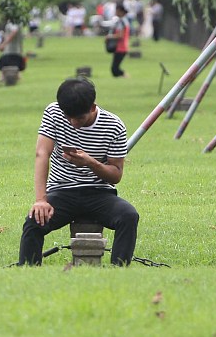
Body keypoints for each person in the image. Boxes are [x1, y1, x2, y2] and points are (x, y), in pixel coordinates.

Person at [18, 78, 139, 266]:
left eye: (79, 118)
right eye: (68, 117)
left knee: (128, 216)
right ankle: (27, 271)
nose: (73, 123)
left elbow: (116, 175)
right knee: (34, 221)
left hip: (99, 193)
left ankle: (119, 270)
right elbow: (42, 153)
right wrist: (41, 200)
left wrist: (91, 162)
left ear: (92, 107)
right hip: (62, 191)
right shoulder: (54, 112)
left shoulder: (114, 125)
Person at [107, 4, 130, 78]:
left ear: (121, 11)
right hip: (120, 47)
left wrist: (109, 37)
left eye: (116, 10)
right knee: (114, 68)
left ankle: (126, 76)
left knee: (114, 69)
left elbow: (120, 35)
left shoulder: (122, 22)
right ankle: (123, 76)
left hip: (121, 47)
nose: (115, 12)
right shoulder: (123, 21)